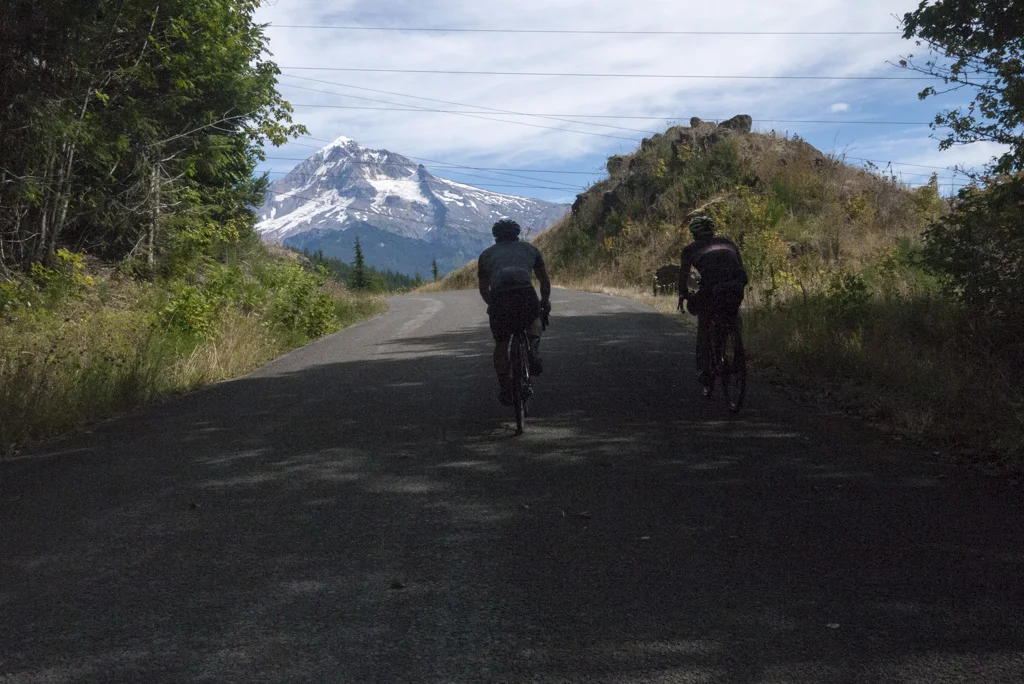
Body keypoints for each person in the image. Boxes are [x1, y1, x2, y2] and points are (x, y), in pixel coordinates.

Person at [477, 219, 552, 405]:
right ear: (517, 235)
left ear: (496, 237)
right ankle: (533, 350)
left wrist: (492, 304)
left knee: (501, 344)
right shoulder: (530, 249)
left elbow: (484, 288)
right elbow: (544, 280)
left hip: (500, 298)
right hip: (525, 294)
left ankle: (504, 386)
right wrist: (544, 302)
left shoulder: (486, 255)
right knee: (534, 318)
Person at [677, 215, 748, 393]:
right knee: (731, 314)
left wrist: (683, 295)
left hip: (713, 289)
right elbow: (740, 267)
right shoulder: (728, 243)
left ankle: (705, 372)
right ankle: (736, 346)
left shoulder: (690, 249)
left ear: (694, 233)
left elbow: (683, 277)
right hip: (736, 286)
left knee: (704, 324)